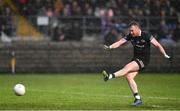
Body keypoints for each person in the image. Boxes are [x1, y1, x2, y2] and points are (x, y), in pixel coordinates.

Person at [103, 21, 171, 106]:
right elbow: (120, 42)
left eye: (132, 30)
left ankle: (109, 76)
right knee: (129, 76)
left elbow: (157, 45)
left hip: (144, 60)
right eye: (130, 31)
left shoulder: (146, 35)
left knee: (127, 67)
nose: (131, 32)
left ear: (138, 28)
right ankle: (138, 99)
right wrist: (110, 47)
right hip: (136, 59)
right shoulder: (131, 36)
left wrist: (165, 54)